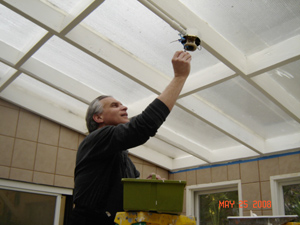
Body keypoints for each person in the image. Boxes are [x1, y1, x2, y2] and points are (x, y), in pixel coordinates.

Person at [69, 51, 192, 225]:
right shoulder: (96, 139)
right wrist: (179, 77)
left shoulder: (123, 160)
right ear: (98, 118)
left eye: (122, 104)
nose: (124, 107)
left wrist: (146, 186)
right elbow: (142, 126)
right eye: (115, 105)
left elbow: (132, 200)